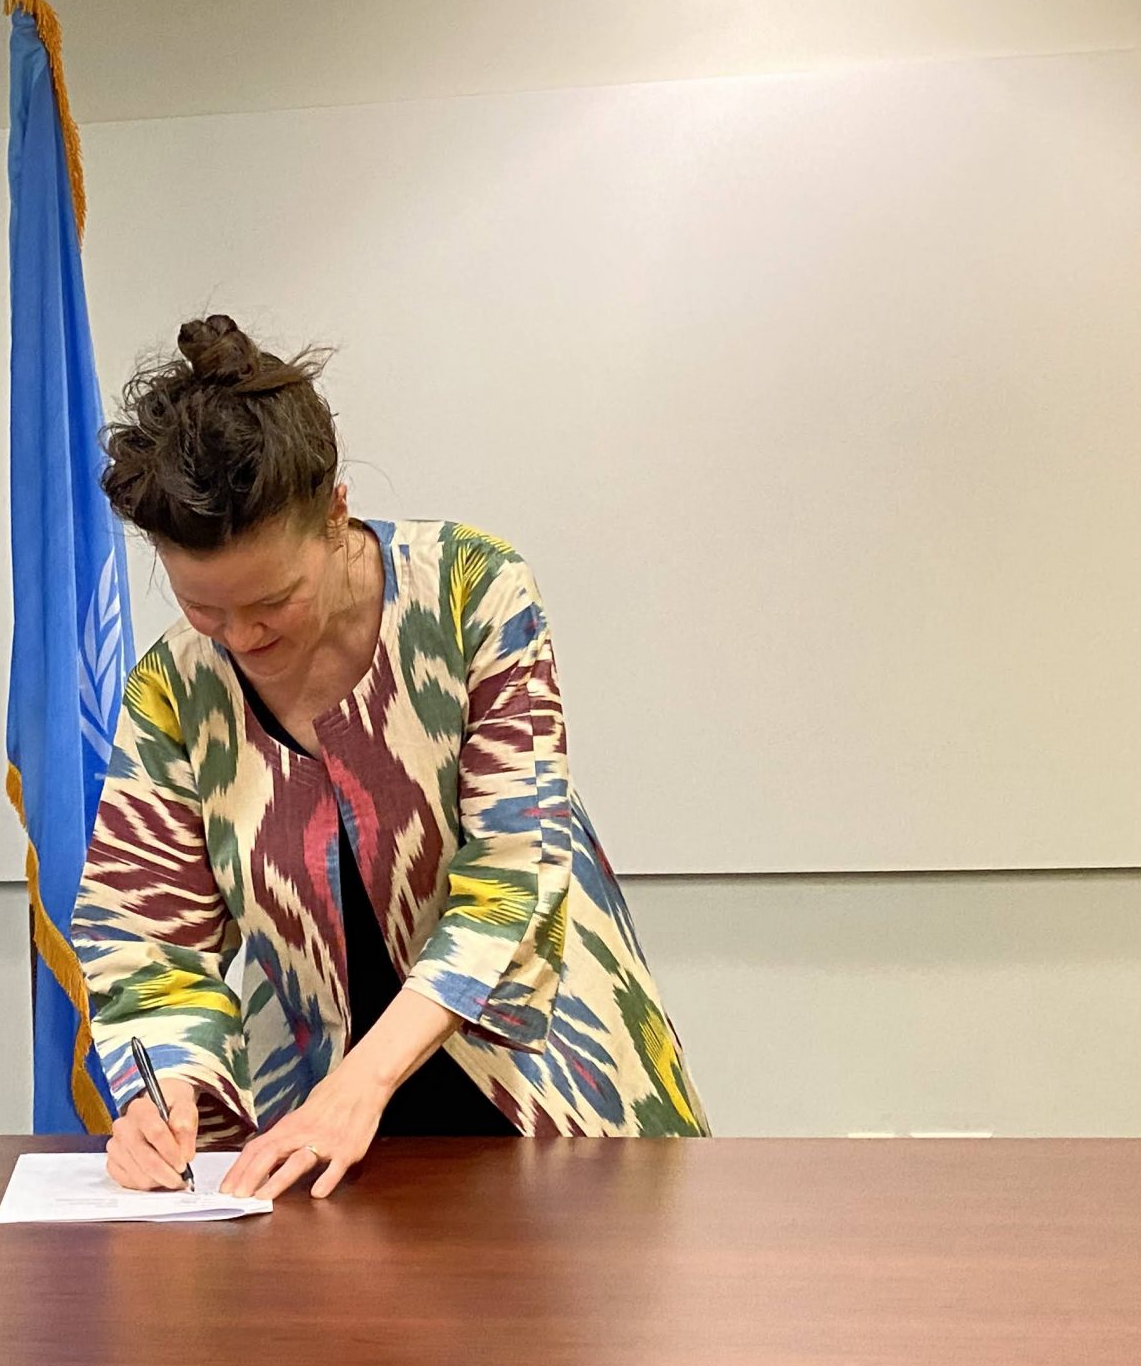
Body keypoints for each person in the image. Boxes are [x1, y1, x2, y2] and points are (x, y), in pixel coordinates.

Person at [77, 316, 706, 1200]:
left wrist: (363, 1085)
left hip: (554, 1105)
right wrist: (163, 1089)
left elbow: (516, 877)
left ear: (335, 511)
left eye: (272, 601)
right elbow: (146, 940)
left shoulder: (469, 592)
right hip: (323, 1139)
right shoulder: (175, 693)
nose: (241, 637)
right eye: (204, 608)